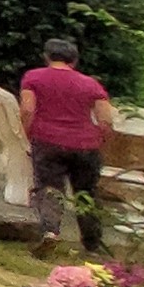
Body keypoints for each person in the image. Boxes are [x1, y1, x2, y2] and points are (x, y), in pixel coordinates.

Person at [20, 36, 112, 255]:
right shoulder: (91, 84)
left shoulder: (33, 77)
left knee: (49, 189)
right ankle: (92, 245)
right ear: (75, 60)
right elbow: (106, 119)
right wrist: (100, 140)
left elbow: (27, 109)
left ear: (47, 56)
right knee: (87, 193)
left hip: (48, 140)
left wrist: (29, 133)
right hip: (85, 145)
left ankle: (51, 232)